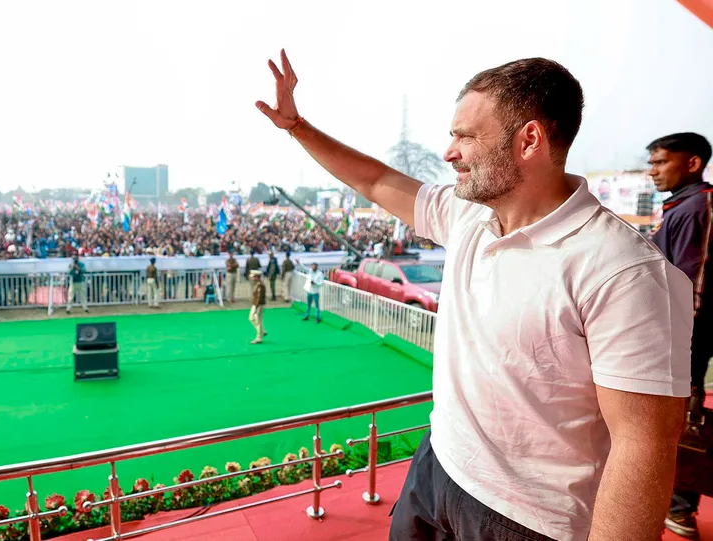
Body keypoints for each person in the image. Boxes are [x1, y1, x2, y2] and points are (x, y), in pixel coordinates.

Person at [257, 50, 692, 540]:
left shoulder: (624, 270)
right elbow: (376, 180)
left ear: (529, 139)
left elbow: (643, 446)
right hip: (437, 465)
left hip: (526, 519)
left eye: (465, 136)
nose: (449, 153)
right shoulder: (467, 217)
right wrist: (297, 126)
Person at [644, 132, 713, 538]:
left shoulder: (698, 207)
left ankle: (681, 508)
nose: (652, 171)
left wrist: (674, 341)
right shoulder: (680, 207)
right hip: (677, 335)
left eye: (660, 162)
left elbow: (694, 287)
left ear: (691, 163)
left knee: (683, 416)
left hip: (687, 337)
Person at [249, 269, 266, 344]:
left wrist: (256, 307)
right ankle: (261, 331)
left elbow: (259, 297)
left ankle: (259, 337)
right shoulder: (257, 284)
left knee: (257, 320)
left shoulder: (260, 285)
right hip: (256, 304)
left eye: (254, 277)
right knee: (252, 318)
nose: (252, 278)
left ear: (257, 277)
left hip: (258, 304)